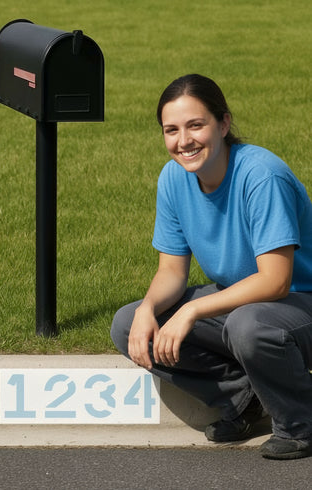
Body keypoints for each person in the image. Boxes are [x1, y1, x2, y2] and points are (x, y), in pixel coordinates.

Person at [111, 74, 312, 460]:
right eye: (171, 130)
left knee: (249, 325)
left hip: (299, 303)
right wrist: (149, 310)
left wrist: (193, 309)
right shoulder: (173, 179)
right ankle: (242, 400)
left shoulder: (261, 176)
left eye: (195, 125)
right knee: (129, 323)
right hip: (246, 303)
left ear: (223, 124)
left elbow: (276, 280)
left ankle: (300, 423)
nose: (183, 141)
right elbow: (171, 270)